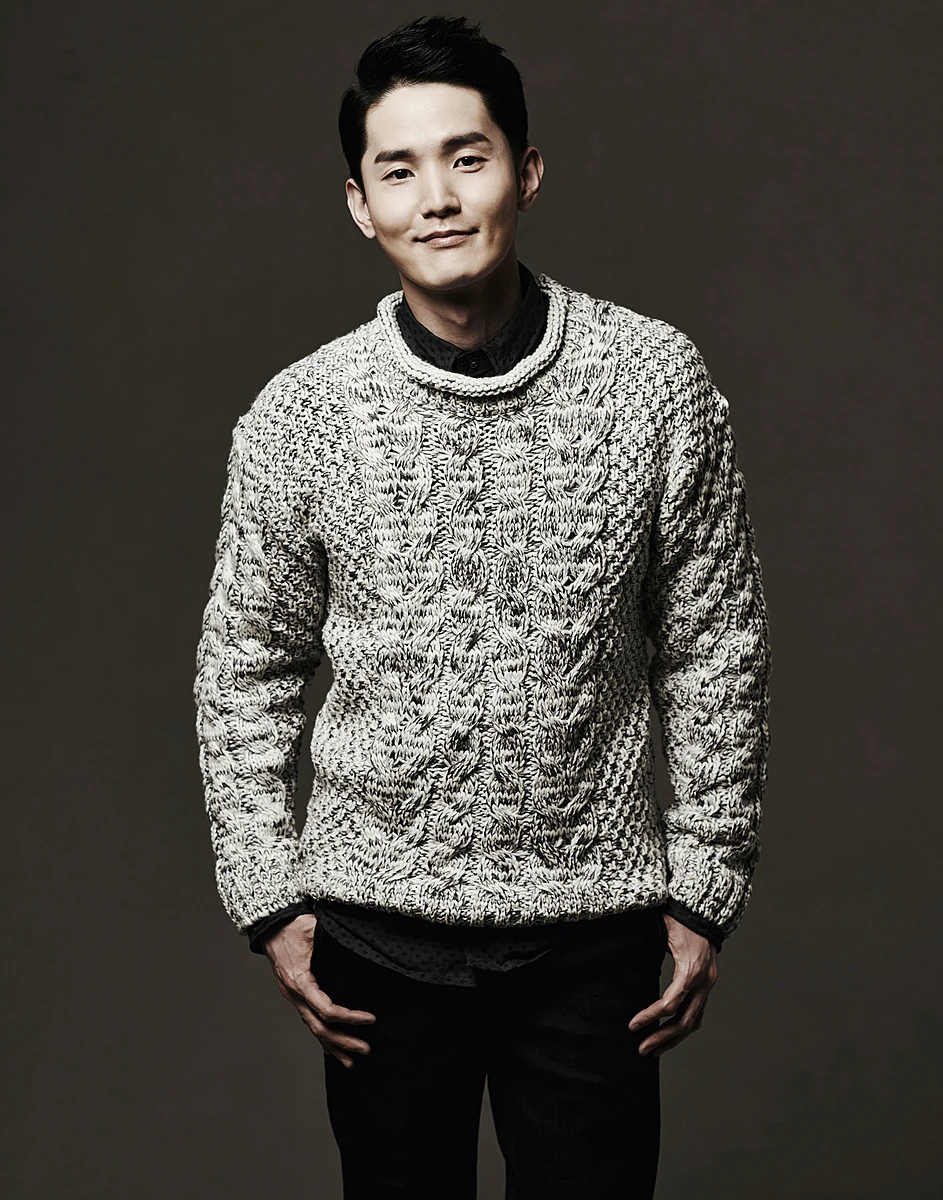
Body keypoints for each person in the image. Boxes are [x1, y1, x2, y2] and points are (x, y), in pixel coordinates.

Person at [192, 14, 772, 1200]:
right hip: (374, 944)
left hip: (597, 939)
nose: (438, 198)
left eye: (468, 157)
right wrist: (268, 897)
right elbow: (244, 665)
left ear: (527, 171)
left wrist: (706, 885)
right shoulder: (301, 416)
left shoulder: (654, 384)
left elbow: (715, 644)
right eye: (399, 170)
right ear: (360, 204)